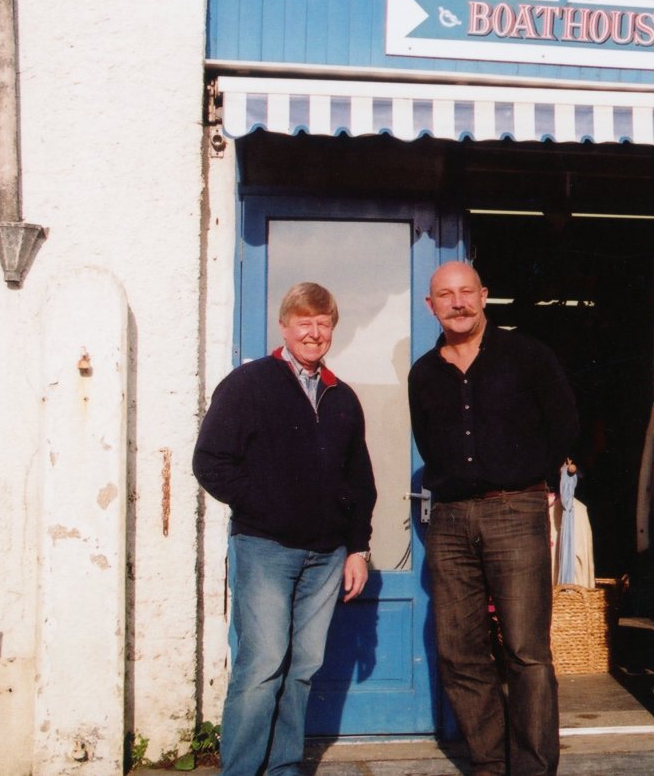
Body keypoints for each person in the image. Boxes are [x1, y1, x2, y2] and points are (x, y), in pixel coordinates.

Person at [193, 281, 377, 776]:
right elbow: (210, 462)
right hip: (265, 549)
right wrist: (269, 507)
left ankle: (283, 767)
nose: (314, 333)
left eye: (324, 324)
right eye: (305, 323)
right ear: (285, 325)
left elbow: (360, 480)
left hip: (327, 557)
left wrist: (357, 547)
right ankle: (241, 770)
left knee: (301, 669)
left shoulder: (342, 398)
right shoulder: (250, 384)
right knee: (262, 666)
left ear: (332, 330)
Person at [408, 261, 578, 776]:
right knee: (458, 648)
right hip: (451, 518)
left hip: (515, 508)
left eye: (466, 292)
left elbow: (564, 425)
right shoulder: (423, 373)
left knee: (526, 648)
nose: (457, 303)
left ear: (484, 296)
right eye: (445, 295)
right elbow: (427, 441)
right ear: (430, 305)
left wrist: (528, 480)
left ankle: (530, 768)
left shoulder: (527, 355)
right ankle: (487, 761)